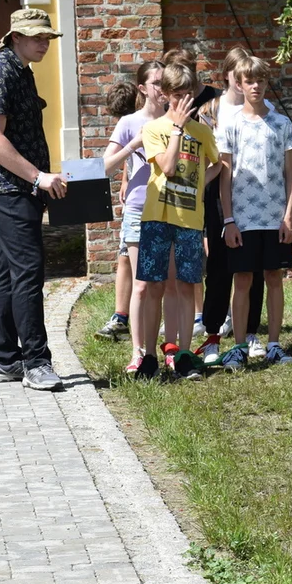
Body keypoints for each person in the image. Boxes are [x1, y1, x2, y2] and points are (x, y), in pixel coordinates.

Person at [0, 9, 67, 391]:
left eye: (47, 38)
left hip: (17, 186)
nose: (44, 43)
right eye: (37, 37)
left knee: (11, 271)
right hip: (5, 186)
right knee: (29, 269)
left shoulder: (19, 69)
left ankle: (5, 360)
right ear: (14, 36)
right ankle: (36, 363)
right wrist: (38, 176)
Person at [134, 62, 219, 381]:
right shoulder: (154, 129)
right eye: (178, 95)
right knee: (155, 285)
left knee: (186, 285)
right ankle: (151, 357)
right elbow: (168, 167)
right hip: (157, 217)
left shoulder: (202, 131)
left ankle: (183, 353)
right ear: (166, 95)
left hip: (189, 219)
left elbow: (218, 164)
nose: (184, 101)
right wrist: (178, 130)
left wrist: (200, 188)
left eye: (189, 95)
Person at [217, 55, 292, 370]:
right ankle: (239, 347)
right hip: (243, 218)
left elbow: (291, 175)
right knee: (242, 279)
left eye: (260, 81)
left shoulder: (281, 124)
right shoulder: (231, 124)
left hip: (274, 217)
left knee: (274, 277)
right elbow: (225, 176)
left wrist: (288, 217)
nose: (255, 86)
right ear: (239, 83)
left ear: (267, 83)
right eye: (249, 81)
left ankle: (274, 345)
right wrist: (228, 220)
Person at [196, 46, 273, 366]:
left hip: (254, 197)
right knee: (218, 267)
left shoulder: (263, 108)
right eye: (239, 75)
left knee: (252, 267)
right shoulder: (210, 110)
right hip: (218, 192)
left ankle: (250, 331)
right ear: (228, 75)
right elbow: (201, 155)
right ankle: (213, 331)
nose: (245, 83)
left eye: (251, 77)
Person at [100, 64, 166, 372]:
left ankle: (156, 351)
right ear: (142, 88)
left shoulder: (175, 121)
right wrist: (133, 145)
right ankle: (137, 353)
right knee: (141, 285)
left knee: (160, 286)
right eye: (156, 83)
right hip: (140, 210)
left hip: (171, 209)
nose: (162, 88)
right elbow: (104, 167)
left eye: (166, 82)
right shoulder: (129, 122)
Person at [95, 80, 139, 340]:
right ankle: (120, 316)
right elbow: (129, 158)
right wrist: (124, 180)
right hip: (134, 198)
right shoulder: (128, 123)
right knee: (124, 256)